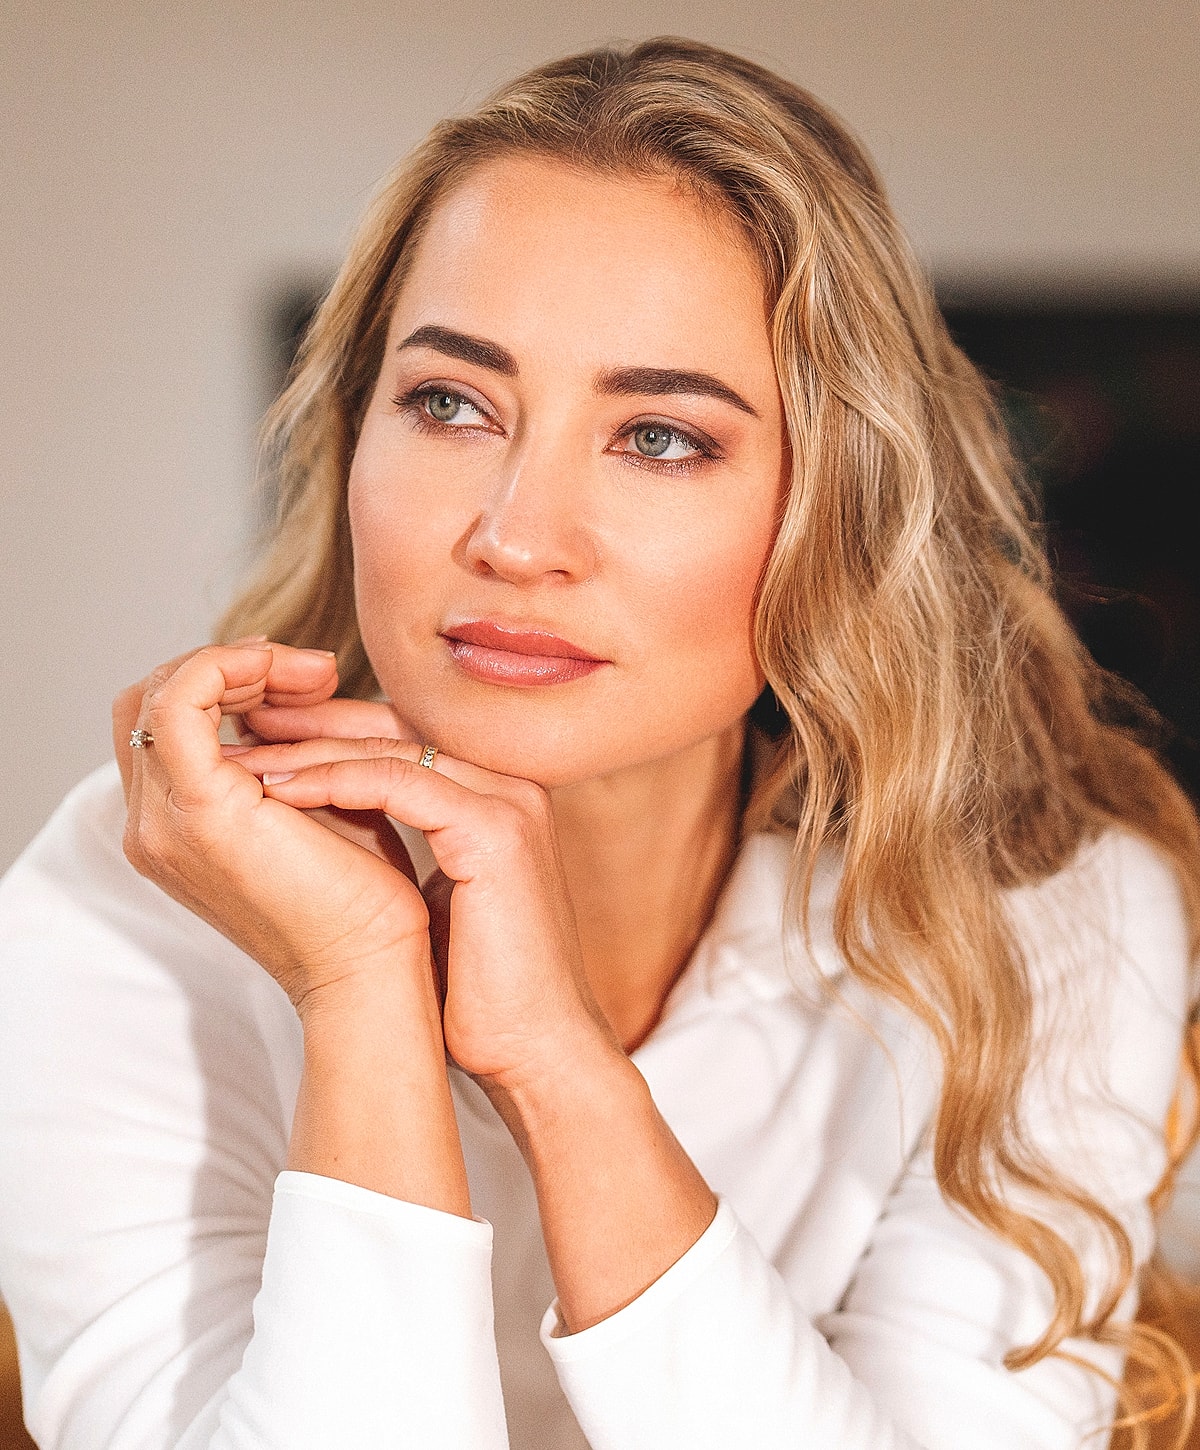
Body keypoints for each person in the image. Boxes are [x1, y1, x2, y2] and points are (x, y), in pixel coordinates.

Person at [0, 35, 1197, 1450]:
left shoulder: (1044, 912)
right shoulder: (122, 902)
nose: (513, 535)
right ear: (356, 432)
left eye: (662, 437)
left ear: (840, 512)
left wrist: (561, 1070)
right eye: (450, 402)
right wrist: (361, 981)